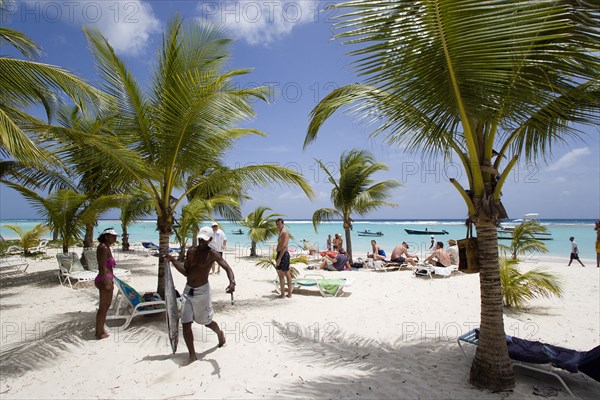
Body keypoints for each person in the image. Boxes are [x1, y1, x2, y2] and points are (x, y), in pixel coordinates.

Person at [163, 233, 235, 366]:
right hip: (188, 291)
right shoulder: (191, 251)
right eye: (200, 239)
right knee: (186, 323)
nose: (201, 241)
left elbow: (227, 267)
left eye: (204, 239)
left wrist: (232, 282)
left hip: (203, 293)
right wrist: (173, 260)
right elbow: (186, 272)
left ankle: (220, 334)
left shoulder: (212, 254)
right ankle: (192, 355)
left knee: (205, 321)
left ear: (210, 240)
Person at [94, 228, 119, 340]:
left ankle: (100, 330)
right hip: (104, 279)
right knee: (103, 307)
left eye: (115, 236)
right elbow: (102, 267)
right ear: (106, 236)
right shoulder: (103, 248)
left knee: (106, 306)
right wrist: (107, 282)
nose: (115, 238)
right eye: (112, 236)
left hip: (107, 278)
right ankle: (98, 333)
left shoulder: (106, 247)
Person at [275, 218, 292, 298]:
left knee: (282, 274)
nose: (278, 226)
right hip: (281, 254)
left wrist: (279, 258)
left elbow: (284, 246)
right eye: (277, 224)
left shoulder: (285, 233)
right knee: (286, 273)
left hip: (283, 254)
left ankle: (283, 294)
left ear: (283, 224)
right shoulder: (280, 233)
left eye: (279, 224)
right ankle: (289, 294)